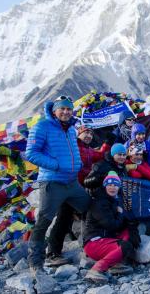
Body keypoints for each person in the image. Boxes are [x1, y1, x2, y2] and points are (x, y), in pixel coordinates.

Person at [25, 95, 90, 272]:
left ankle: (60, 252)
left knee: (87, 209)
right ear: (54, 111)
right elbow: (31, 153)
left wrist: (77, 165)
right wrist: (56, 165)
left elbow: (72, 151)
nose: (66, 112)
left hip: (72, 182)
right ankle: (35, 262)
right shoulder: (42, 126)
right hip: (52, 182)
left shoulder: (70, 129)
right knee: (44, 220)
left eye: (69, 109)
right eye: (62, 108)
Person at [82, 171, 141, 283]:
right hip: (94, 243)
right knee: (125, 246)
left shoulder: (114, 200)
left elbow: (122, 223)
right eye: (109, 185)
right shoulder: (99, 202)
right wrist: (119, 214)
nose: (112, 187)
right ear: (105, 186)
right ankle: (96, 269)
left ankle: (116, 264)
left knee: (129, 231)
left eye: (115, 185)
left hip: (106, 239)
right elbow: (112, 225)